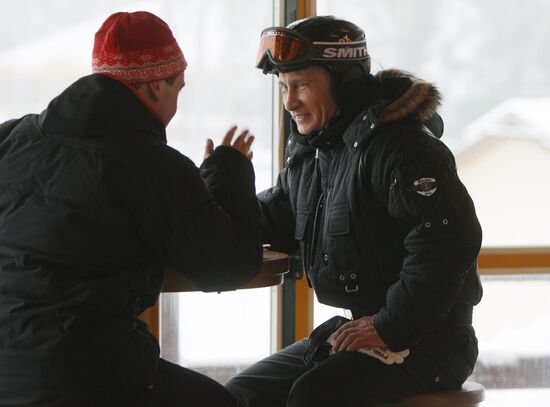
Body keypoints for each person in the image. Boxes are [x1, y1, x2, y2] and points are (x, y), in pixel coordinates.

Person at [0, 11, 261, 407]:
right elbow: (230, 265)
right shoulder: (151, 164)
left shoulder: (14, 136)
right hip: (81, 376)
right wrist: (230, 171)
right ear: (156, 85)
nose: (176, 103)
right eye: (178, 88)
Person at [225, 15, 483, 407]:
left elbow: (446, 244)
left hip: (432, 340)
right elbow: (276, 218)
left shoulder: (402, 147)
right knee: (243, 395)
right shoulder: (318, 150)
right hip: (366, 328)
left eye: (302, 85)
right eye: (283, 87)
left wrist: (391, 326)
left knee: (314, 395)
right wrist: (224, 187)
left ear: (344, 81)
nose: (290, 101)